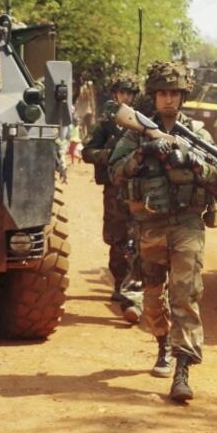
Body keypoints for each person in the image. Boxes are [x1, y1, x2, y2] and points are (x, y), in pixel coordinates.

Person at [109, 61, 217, 402]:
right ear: (153, 96)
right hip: (150, 224)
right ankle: (162, 343)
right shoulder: (134, 133)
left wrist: (193, 162)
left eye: (174, 93)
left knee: (185, 296)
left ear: (183, 96)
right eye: (162, 93)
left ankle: (182, 371)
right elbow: (115, 172)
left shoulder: (199, 135)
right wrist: (144, 152)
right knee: (152, 298)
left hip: (187, 223)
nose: (169, 100)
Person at [82, 73, 141, 313]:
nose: (126, 97)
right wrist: (109, 156)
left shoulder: (141, 121)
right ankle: (120, 282)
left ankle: (136, 285)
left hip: (138, 188)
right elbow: (87, 151)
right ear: (115, 94)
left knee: (138, 236)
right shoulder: (107, 122)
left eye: (130, 93)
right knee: (117, 237)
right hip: (115, 189)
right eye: (122, 92)